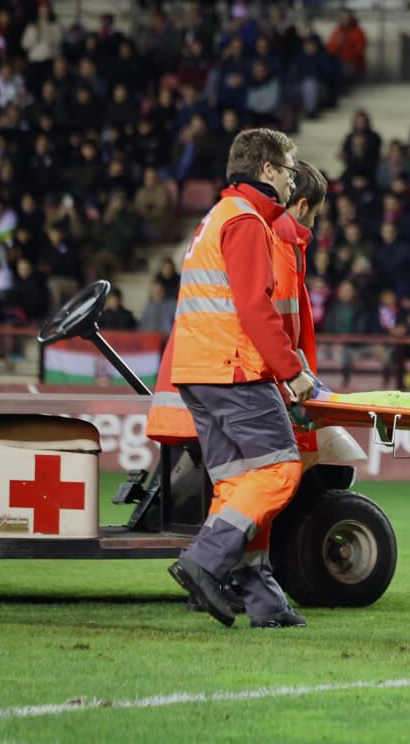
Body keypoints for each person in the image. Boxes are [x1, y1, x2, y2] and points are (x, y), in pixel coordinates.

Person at [164, 129, 320, 630]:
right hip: (233, 368)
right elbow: (255, 308)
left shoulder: (218, 216)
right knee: (279, 473)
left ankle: (263, 602)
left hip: (197, 370)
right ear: (268, 171)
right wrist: (292, 372)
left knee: (237, 485)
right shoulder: (249, 223)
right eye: (290, 171)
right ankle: (206, 560)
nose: (293, 180)